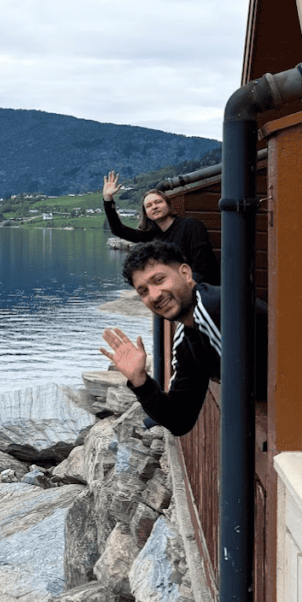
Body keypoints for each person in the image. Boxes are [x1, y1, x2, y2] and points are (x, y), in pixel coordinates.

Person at [99, 240, 266, 436]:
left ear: (185, 273)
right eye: (143, 291)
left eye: (159, 279)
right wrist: (140, 380)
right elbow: (179, 420)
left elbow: (241, 383)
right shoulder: (187, 336)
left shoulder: (213, 307)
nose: (153, 296)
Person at [102, 170, 220, 285]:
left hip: (201, 290)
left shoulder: (191, 226)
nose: (154, 207)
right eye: (149, 205)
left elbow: (202, 267)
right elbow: (118, 230)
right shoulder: (152, 236)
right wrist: (108, 199)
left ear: (168, 206)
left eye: (158, 202)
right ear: (146, 214)